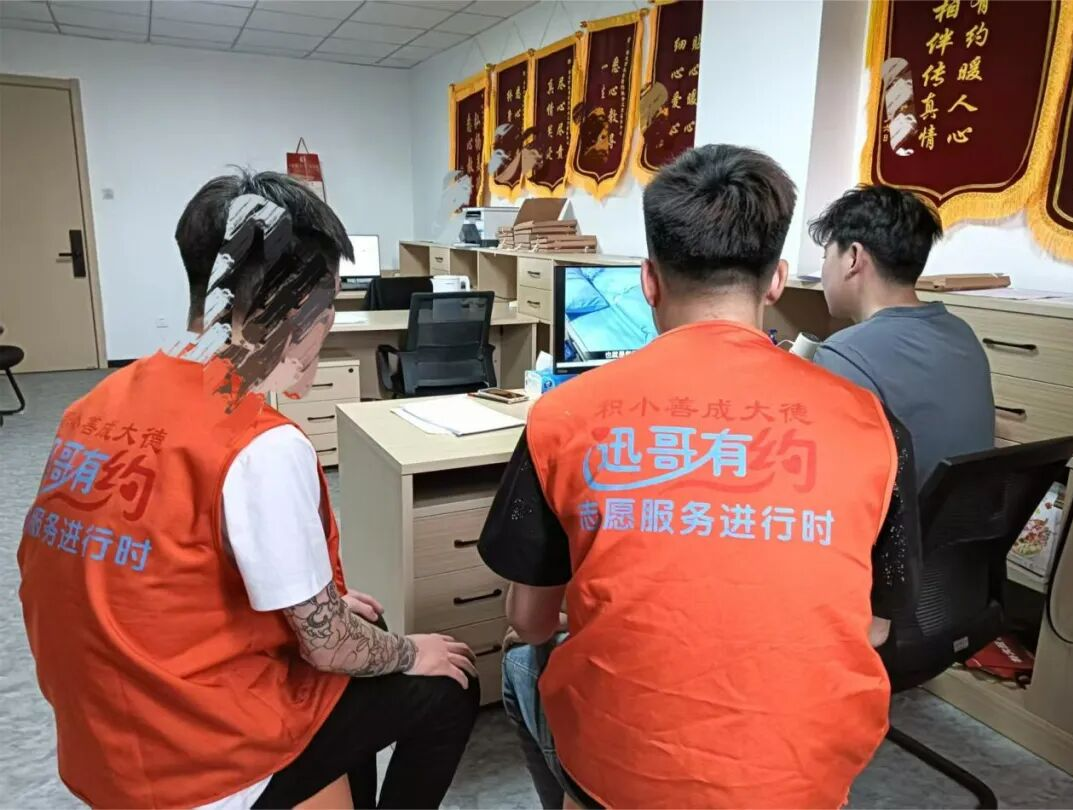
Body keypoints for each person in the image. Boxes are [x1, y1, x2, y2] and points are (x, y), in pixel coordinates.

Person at [18, 170, 479, 809]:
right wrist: (408, 651)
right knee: (448, 683)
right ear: (303, 311)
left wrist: (329, 607)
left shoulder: (94, 405)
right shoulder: (258, 444)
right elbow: (329, 646)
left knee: (357, 625)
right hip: (200, 759)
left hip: (103, 735)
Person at [479, 145, 920, 809]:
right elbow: (875, 629)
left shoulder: (564, 416)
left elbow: (532, 621)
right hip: (804, 782)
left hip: (623, 779)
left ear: (648, 281)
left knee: (521, 665)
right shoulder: (873, 425)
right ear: (776, 281)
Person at [809, 184, 994, 485]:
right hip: (960, 514)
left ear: (853, 257)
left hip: (894, 516)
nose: (823, 271)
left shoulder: (842, 354)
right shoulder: (962, 333)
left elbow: (828, 479)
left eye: (825, 256)